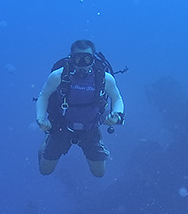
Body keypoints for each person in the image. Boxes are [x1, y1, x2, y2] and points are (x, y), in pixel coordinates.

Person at [35, 39, 124, 177]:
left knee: (99, 173)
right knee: (45, 170)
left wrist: (117, 115)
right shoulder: (58, 76)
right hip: (62, 125)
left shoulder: (104, 78)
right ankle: (48, 138)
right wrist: (41, 119)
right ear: (71, 58)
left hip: (90, 127)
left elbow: (117, 98)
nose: (82, 64)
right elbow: (43, 96)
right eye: (78, 58)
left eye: (87, 58)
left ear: (93, 59)